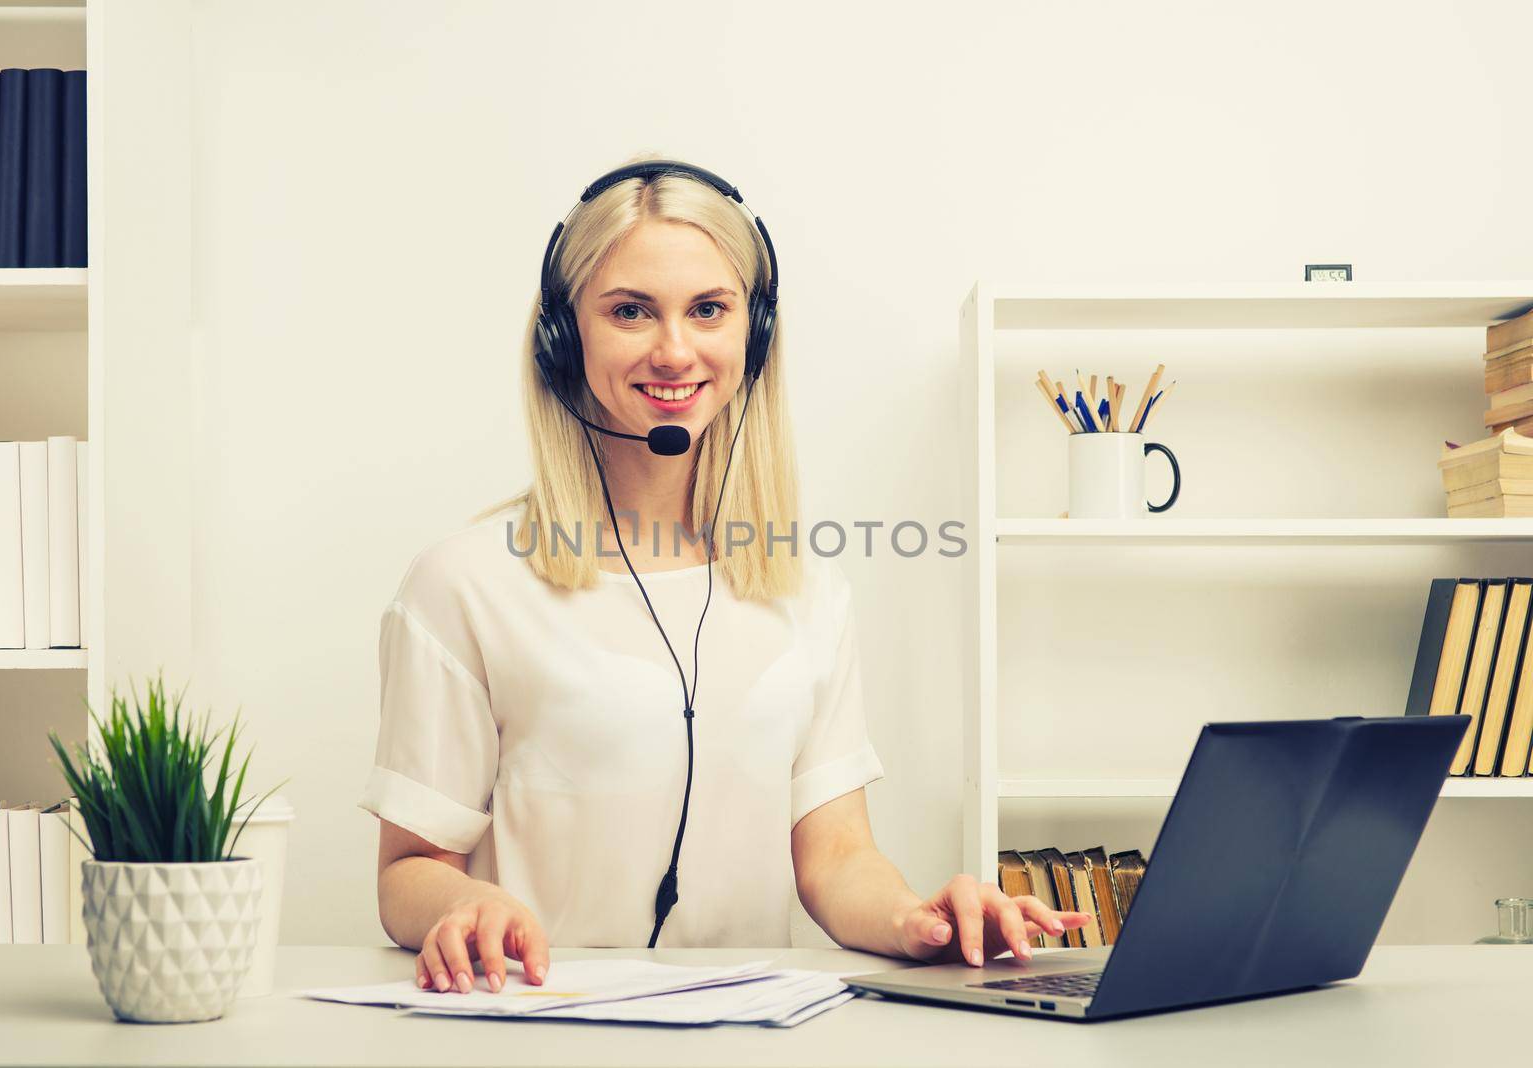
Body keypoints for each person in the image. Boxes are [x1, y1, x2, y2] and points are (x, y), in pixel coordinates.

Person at [358, 154, 1089, 996]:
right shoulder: (464, 584)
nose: (675, 350)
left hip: (746, 1032)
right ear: (564, 339)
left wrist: (915, 919)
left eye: (709, 309)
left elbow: (836, 856)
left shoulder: (806, 590)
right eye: (630, 311)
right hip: (541, 1026)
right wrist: (466, 905)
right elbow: (408, 870)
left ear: (754, 331)